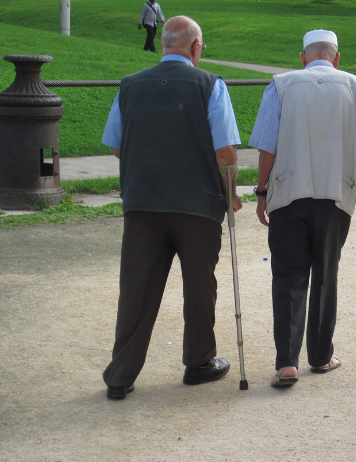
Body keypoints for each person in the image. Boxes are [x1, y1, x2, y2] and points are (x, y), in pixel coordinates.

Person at [101, 16, 242, 400]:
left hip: (142, 202)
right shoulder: (211, 84)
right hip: (196, 203)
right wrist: (230, 193)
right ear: (195, 47)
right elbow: (226, 151)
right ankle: (198, 362)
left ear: (164, 45)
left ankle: (120, 375)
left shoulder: (129, 86)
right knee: (200, 285)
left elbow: (117, 145)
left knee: (136, 288)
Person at [249, 29, 356, 387]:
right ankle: (320, 355)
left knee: (288, 275)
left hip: (288, 193)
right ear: (337, 58)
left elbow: (266, 147)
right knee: (325, 273)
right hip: (335, 194)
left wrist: (262, 191)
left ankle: (287, 362)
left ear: (303, 57)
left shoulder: (281, 85)